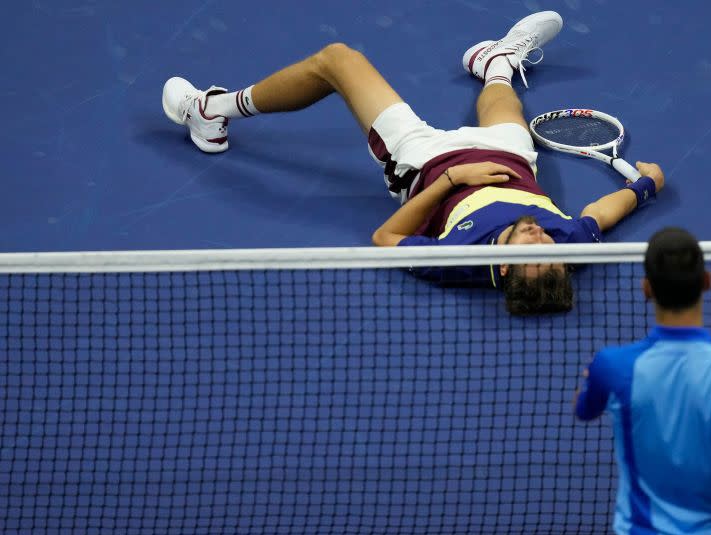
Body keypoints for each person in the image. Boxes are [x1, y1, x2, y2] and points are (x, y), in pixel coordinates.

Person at [161, 11, 664, 315]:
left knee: (337, 59)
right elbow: (603, 214)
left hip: (425, 162)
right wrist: (646, 186)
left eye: (533, 247)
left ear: (505, 264)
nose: (543, 238)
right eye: (550, 245)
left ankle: (211, 112)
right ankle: (496, 64)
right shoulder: (563, 252)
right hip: (513, 161)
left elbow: (385, 239)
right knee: (504, 104)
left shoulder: (457, 260)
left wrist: (451, 179)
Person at [574, 227, 711, 535]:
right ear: (707, 281)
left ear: (646, 288)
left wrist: (591, 379)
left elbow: (583, 409)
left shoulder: (612, 367)